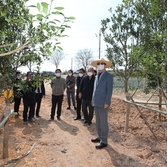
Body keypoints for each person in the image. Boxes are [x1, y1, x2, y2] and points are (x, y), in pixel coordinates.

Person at [91, 58, 113, 149]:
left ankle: (104, 141)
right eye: (98, 64)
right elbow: (94, 90)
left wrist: (107, 102)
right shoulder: (96, 76)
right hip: (96, 102)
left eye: (101, 64)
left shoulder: (108, 76)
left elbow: (109, 90)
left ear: (105, 65)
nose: (100, 65)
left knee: (103, 122)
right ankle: (99, 136)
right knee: (98, 121)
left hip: (103, 103)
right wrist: (93, 99)